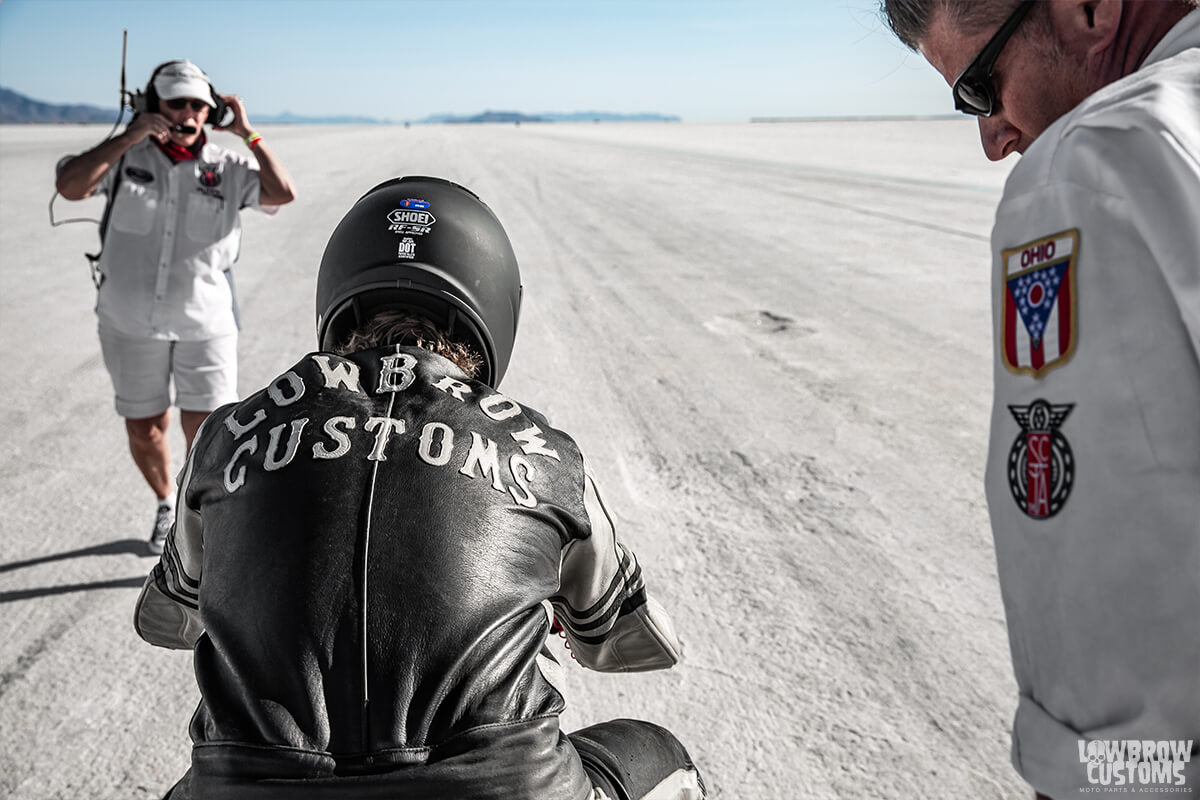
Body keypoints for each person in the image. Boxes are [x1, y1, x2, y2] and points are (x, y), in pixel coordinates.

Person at [133, 176, 707, 800]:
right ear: (492, 308)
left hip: (247, 788)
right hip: (497, 787)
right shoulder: (549, 456)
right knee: (657, 750)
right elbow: (626, 642)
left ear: (338, 297)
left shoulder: (226, 436)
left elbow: (169, 620)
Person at [880, 1, 1200, 797]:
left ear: (1089, 9)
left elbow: (1115, 635)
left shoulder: (1098, 164)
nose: (995, 141)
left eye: (981, 89)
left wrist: (1095, 774)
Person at [55, 59, 297, 554]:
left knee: (208, 432)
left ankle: (197, 516)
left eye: (197, 106)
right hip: (128, 321)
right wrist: (128, 136)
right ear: (151, 105)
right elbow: (71, 185)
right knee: (146, 426)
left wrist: (247, 133)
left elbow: (282, 192)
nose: (186, 114)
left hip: (205, 323)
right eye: (175, 103)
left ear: (210, 114)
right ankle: (167, 500)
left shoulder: (227, 167)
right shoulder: (123, 159)